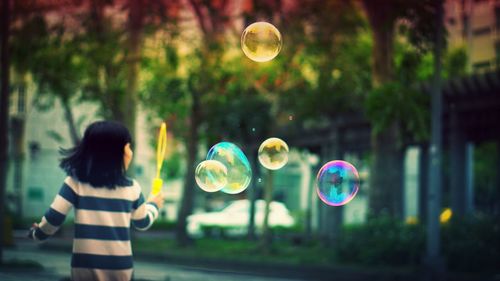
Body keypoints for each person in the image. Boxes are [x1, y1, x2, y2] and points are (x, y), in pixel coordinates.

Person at [28, 120, 164, 281]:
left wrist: (37, 233)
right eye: (128, 147)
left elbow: (54, 219)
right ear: (116, 153)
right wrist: (154, 204)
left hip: (84, 272)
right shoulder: (132, 187)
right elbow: (142, 222)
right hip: (121, 273)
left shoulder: (74, 183)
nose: (130, 153)